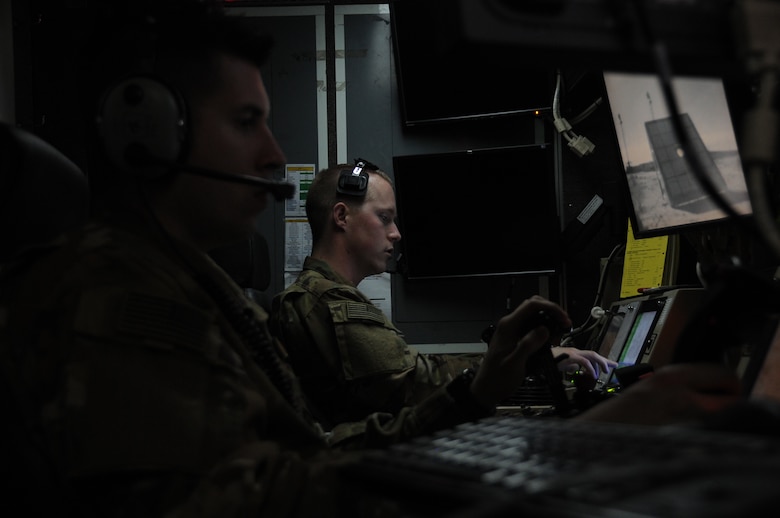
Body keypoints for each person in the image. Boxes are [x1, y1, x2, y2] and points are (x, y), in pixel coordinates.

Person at [0, 2, 748, 517]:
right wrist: (572, 448)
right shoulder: (115, 296)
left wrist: (484, 398)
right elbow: (264, 504)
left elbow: (312, 455)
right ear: (151, 129)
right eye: (246, 121)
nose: (274, 154)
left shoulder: (178, 281)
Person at [269, 161, 617, 428]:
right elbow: (417, 383)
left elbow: (408, 370)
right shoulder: (326, 303)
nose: (396, 234)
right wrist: (530, 359)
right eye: (384, 218)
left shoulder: (320, 297)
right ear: (342, 217)